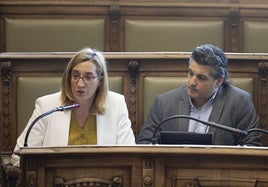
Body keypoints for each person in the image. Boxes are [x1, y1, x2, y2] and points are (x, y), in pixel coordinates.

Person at [12, 47, 135, 167]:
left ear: (100, 81)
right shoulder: (47, 106)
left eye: (88, 77)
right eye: (75, 76)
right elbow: (18, 157)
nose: (80, 84)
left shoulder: (116, 104)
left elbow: (130, 158)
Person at [137, 44, 262, 146]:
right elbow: (144, 143)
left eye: (201, 78)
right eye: (190, 73)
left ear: (219, 81)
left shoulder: (239, 102)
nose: (192, 82)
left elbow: (252, 146)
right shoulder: (164, 103)